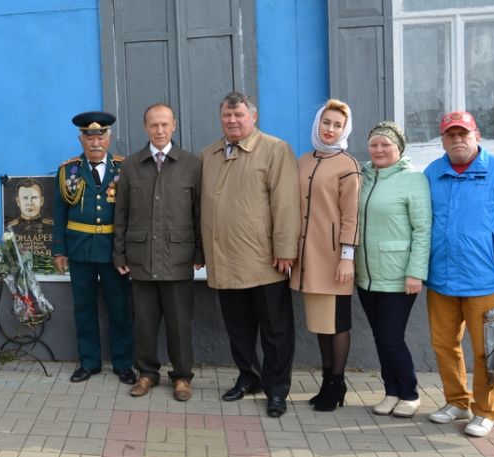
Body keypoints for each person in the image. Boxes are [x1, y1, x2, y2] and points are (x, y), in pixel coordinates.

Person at [200, 91, 300, 417]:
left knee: (275, 330)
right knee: (239, 329)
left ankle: (277, 389)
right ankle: (248, 377)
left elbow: (286, 203)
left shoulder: (274, 149)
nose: (232, 121)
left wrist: (286, 249)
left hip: (265, 261)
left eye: (239, 115)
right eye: (227, 116)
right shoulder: (209, 155)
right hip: (224, 259)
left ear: (252, 117)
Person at [424, 111, 494, 437]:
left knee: (491, 348)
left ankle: (486, 410)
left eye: (463, 133)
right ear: (443, 141)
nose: (457, 140)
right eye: (451, 135)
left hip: (487, 278)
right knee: (444, 345)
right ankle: (457, 402)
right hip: (441, 278)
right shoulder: (433, 173)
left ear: (477, 136)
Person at [113, 103, 202, 400]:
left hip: (178, 259)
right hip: (141, 258)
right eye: (154, 125)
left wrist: (200, 252)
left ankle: (182, 377)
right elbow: (121, 214)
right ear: (145, 128)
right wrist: (120, 254)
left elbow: (199, 213)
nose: (160, 130)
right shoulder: (131, 165)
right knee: (145, 324)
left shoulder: (192, 164)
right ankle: (147, 374)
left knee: (179, 324)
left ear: (174, 125)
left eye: (165, 124)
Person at [52, 111, 135, 386]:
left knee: (120, 309)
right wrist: (59, 250)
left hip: (114, 252)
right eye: (89, 138)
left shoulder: (125, 168)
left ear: (109, 138)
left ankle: (123, 364)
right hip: (80, 252)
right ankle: (89, 362)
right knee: (84, 309)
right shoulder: (68, 171)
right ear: (81, 140)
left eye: (100, 137)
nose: (95, 143)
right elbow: (60, 213)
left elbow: (133, 213)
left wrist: (129, 251)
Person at [355, 121, 431, 418]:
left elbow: (423, 229)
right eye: (374, 144)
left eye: (386, 144)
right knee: (380, 337)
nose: (379, 149)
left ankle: (409, 393)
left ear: (399, 148)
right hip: (367, 275)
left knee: (390, 338)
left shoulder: (413, 179)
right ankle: (391, 391)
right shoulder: (363, 176)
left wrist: (416, 272)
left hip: (399, 276)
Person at [290, 100, 361, 412]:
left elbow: (351, 215)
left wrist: (347, 256)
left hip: (333, 258)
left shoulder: (347, 165)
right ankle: (326, 380)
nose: (330, 130)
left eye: (337, 125)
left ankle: (337, 382)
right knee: (320, 322)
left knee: (338, 322)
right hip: (307, 258)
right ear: (317, 124)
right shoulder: (303, 161)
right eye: (326, 123)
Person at [6, 178, 54, 257]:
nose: (30, 203)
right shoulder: (10, 227)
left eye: (34, 198)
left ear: (41, 200)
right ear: (18, 201)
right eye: (25, 198)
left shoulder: (51, 226)